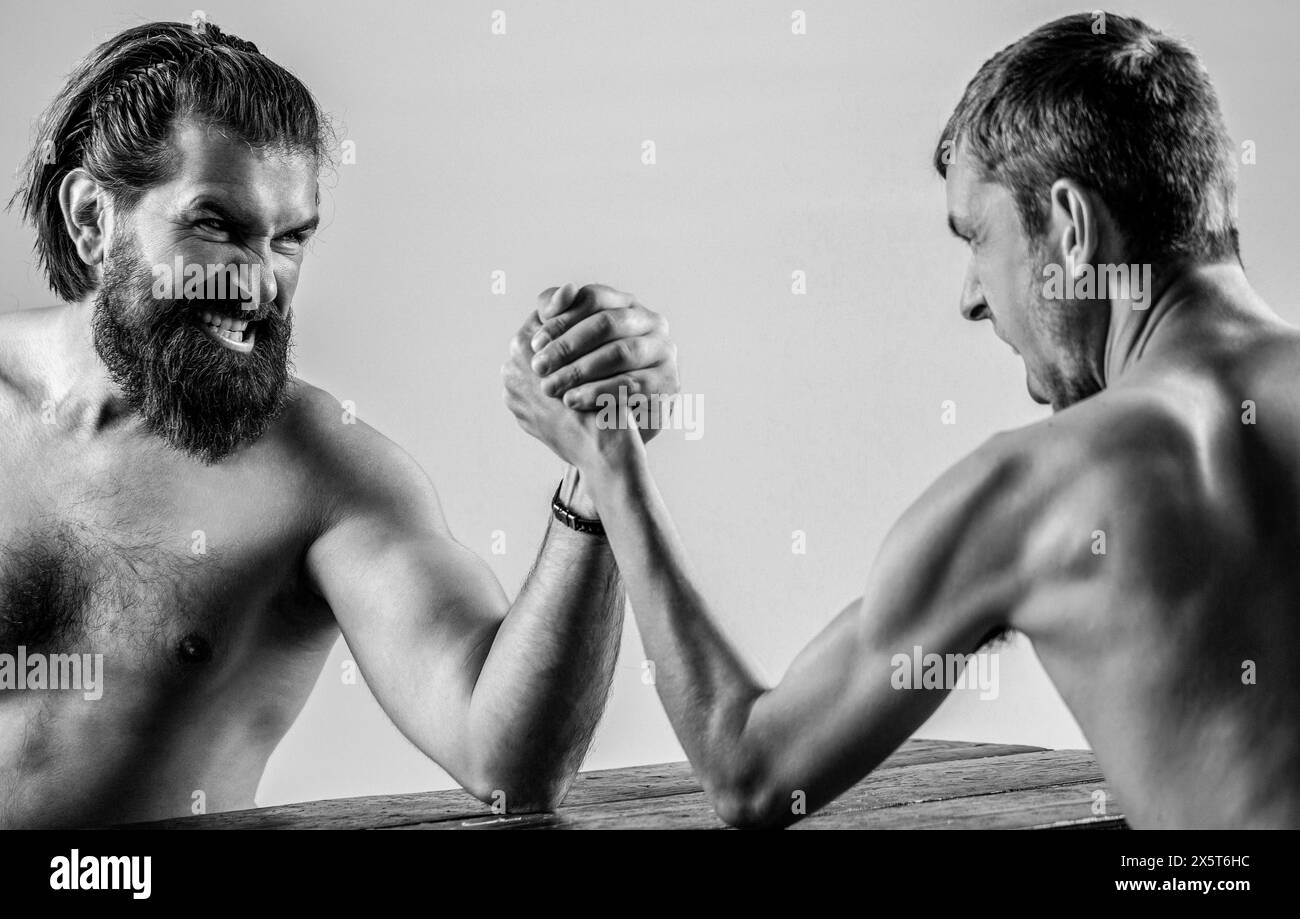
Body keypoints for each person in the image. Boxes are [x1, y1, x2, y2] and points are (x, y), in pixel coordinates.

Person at [503, 12, 1300, 829]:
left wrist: (609, 463)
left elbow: (751, 768)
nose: (972, 295)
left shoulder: (1034, 492)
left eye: (977, 238)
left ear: (1071, 227)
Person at [0, 20, 677, 827]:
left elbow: (510, 763)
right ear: (92, 217)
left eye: (289, 240)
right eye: (215, 225)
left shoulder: (321, 474)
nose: (258, 287)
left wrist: (595, 481)